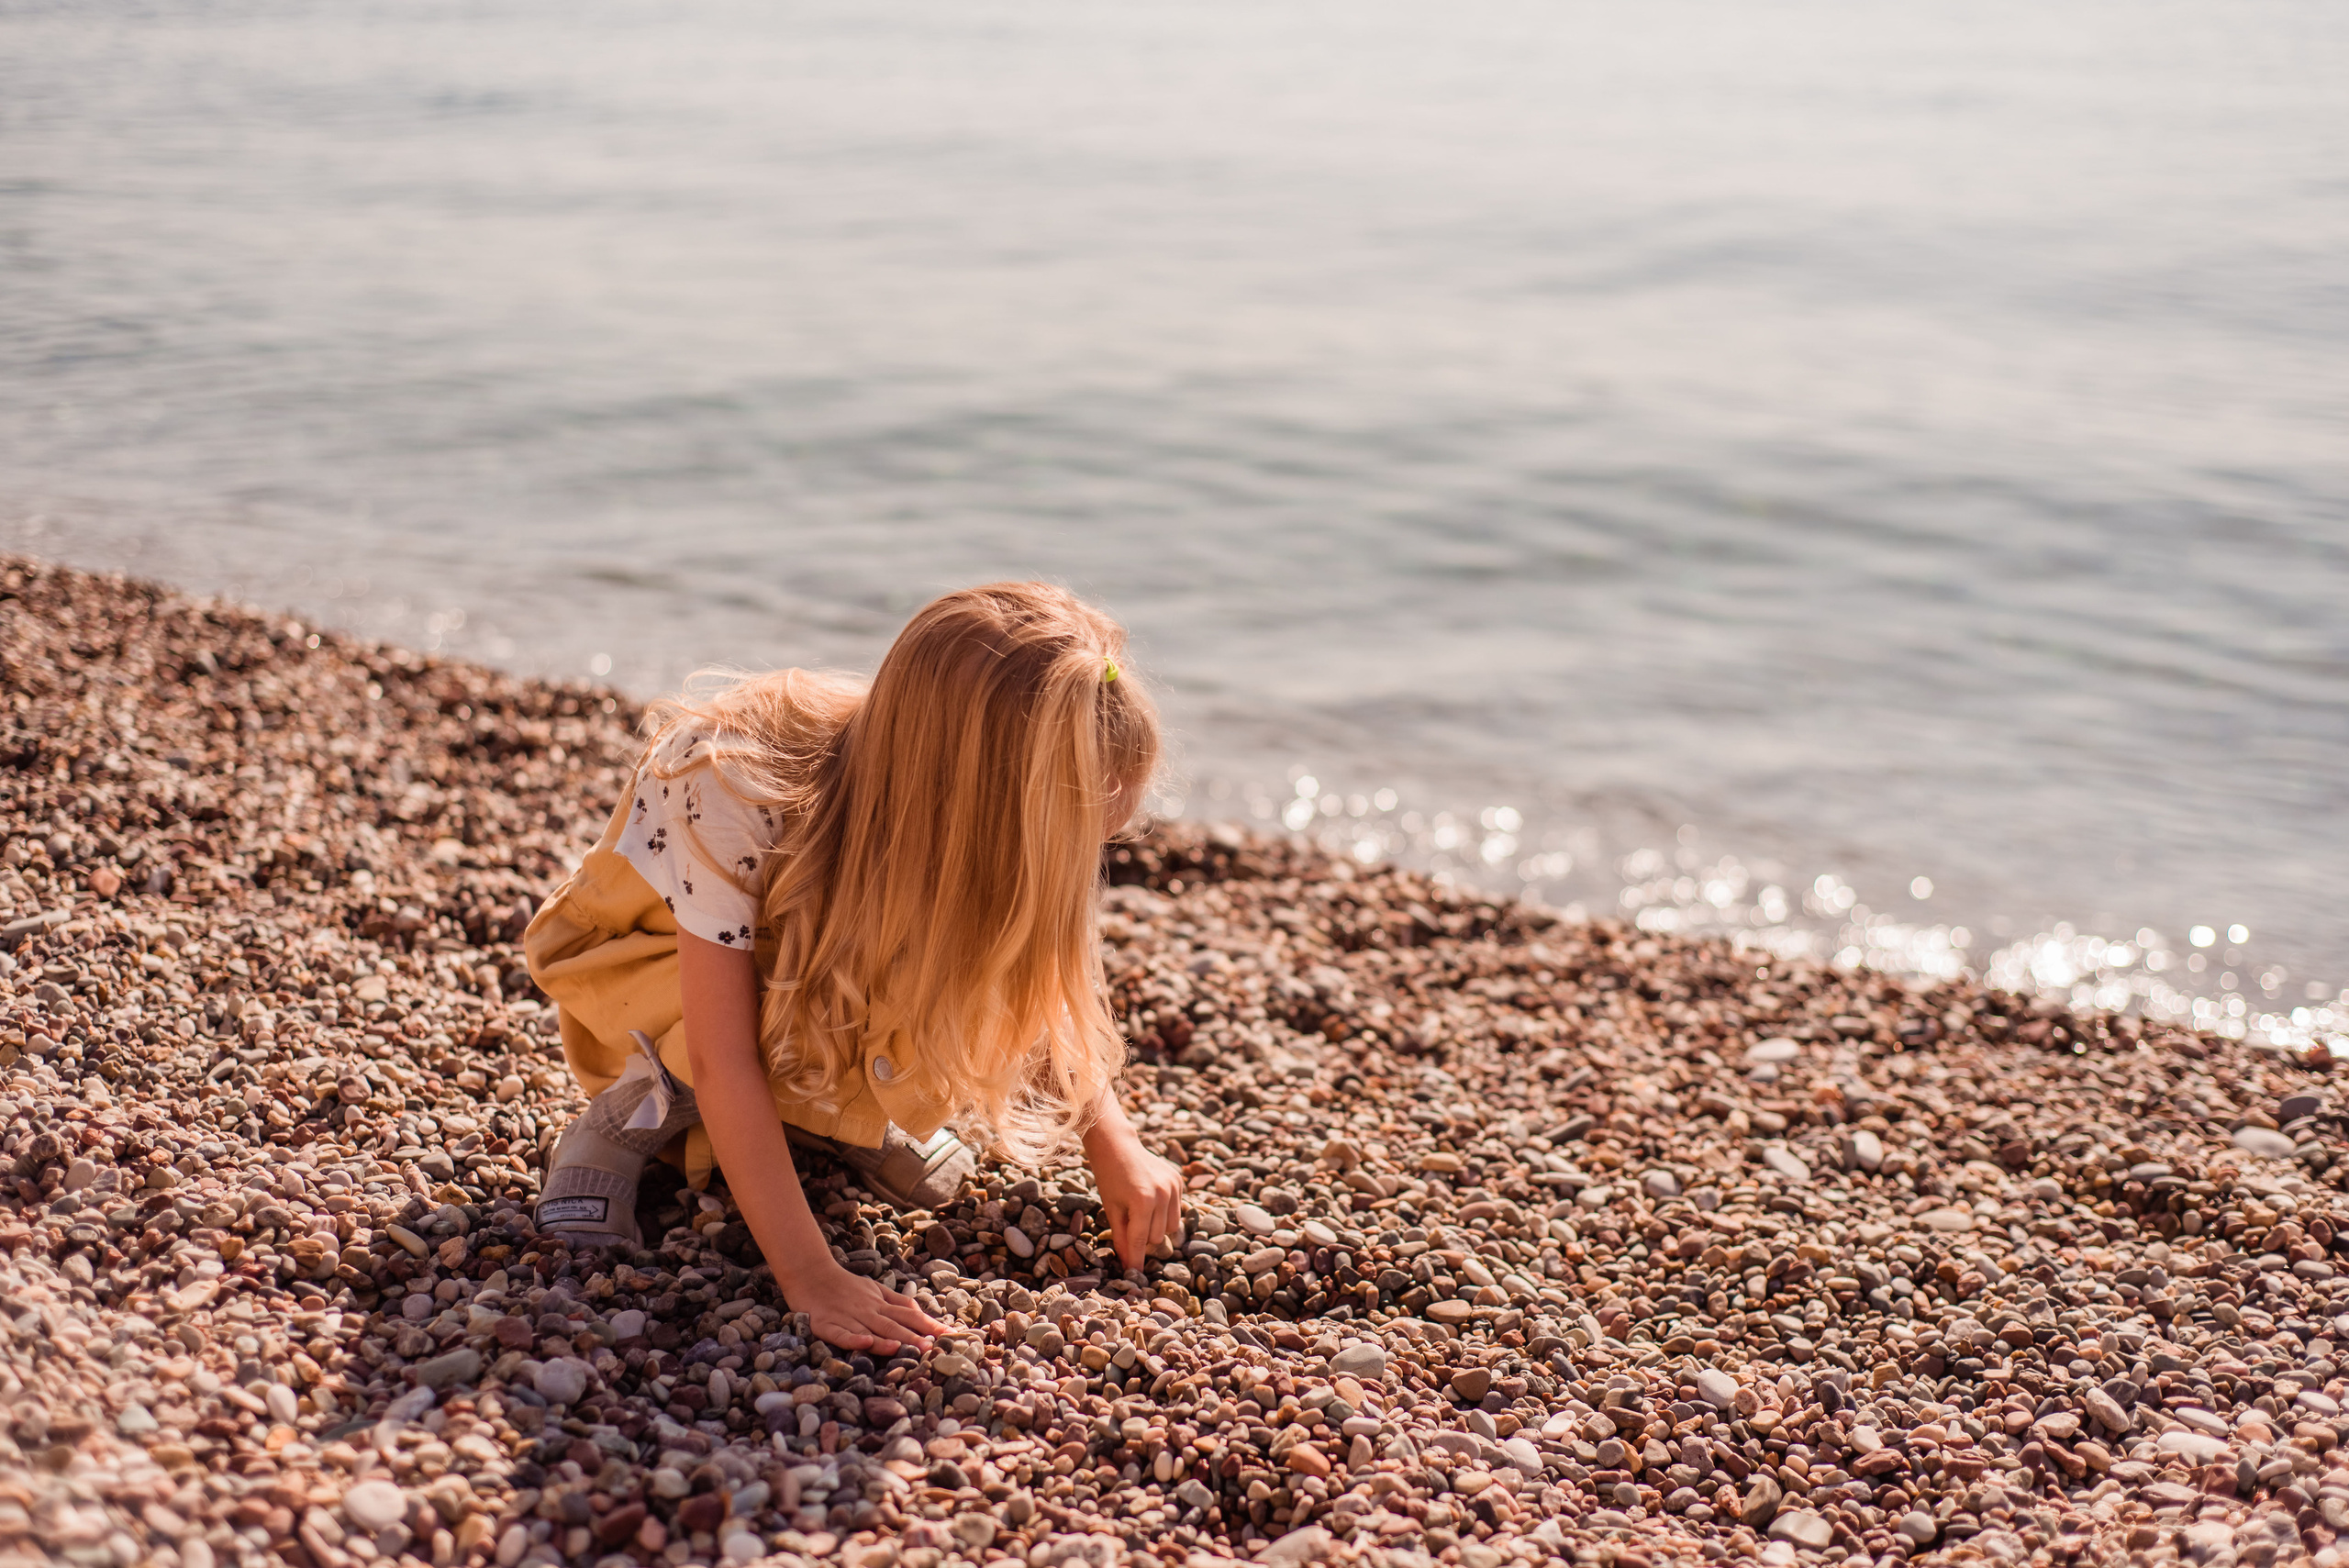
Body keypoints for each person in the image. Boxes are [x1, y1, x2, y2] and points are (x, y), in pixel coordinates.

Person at [523, 584, 1185, 1352]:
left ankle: (825, 1111)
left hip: (813, 962)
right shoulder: (729, 781)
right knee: (752, 1024)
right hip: (654, 970)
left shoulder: (937, 790)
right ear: (977, 801)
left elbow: (1030, 980)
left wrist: (1116, 1143)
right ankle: (630, 1111)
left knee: (961, 948)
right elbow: (723, 1051)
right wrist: (813, 1277)